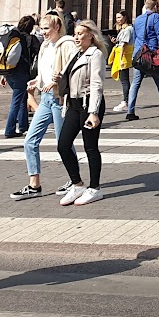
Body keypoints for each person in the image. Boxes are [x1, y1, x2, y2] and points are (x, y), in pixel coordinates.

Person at [11, 12, 79, 200]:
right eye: (41, 28)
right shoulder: (44, 46)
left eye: (46, 28)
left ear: (57, 27)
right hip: (46, 97)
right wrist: (37, 81)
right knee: (30, 140)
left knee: (63, 142)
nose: (43, 32)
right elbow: (45, 70)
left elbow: (74, 69)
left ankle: (74, 181)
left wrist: (59, 85)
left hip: (60, 98)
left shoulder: (67, 44)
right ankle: (34, 185)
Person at [57, 20, 108, 206]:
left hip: (89, 105)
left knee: (90, 147)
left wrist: (93, 112)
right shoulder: (76, 53)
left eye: (80, 34)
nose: (76, 37)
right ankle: (77, 184)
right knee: (63, 144)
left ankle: (95, 188)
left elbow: (97, 85)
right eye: (75, 34)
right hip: (74, 104)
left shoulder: (95, 55)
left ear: (91, 35)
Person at [0, 16, 38, 137]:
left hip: (9, 72)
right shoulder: (31, 39)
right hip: (22, 73)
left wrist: (4, 75)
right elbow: (40, 53)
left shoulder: (13, 37)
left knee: (22, 97)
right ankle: (9, 130)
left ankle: (23, 125)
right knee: (16, 100)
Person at [108, 11, 133, 112]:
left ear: (125, 17)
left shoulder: (128, 29)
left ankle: (125, 101)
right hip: (121, 55)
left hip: (123, 57)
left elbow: (124, 44)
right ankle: (127, 101)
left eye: (119, 17)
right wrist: (115, 41)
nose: (117, 20)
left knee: (124, 80)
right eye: (116, 18)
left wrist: (121, 58)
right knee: (124, 80)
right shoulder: (123, 29)